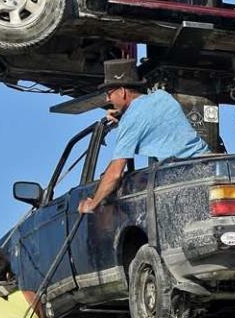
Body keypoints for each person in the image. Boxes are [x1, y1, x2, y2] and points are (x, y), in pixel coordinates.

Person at [78, 60, 209, 213]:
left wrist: (92, 204)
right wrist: (123, 114)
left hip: (186, 176)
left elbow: (115, 174)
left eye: (109, 93)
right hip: (206, 163)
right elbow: (153, 120)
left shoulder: (131, 119)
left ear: (122, 91)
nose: (107, 99)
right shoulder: (162, 96)